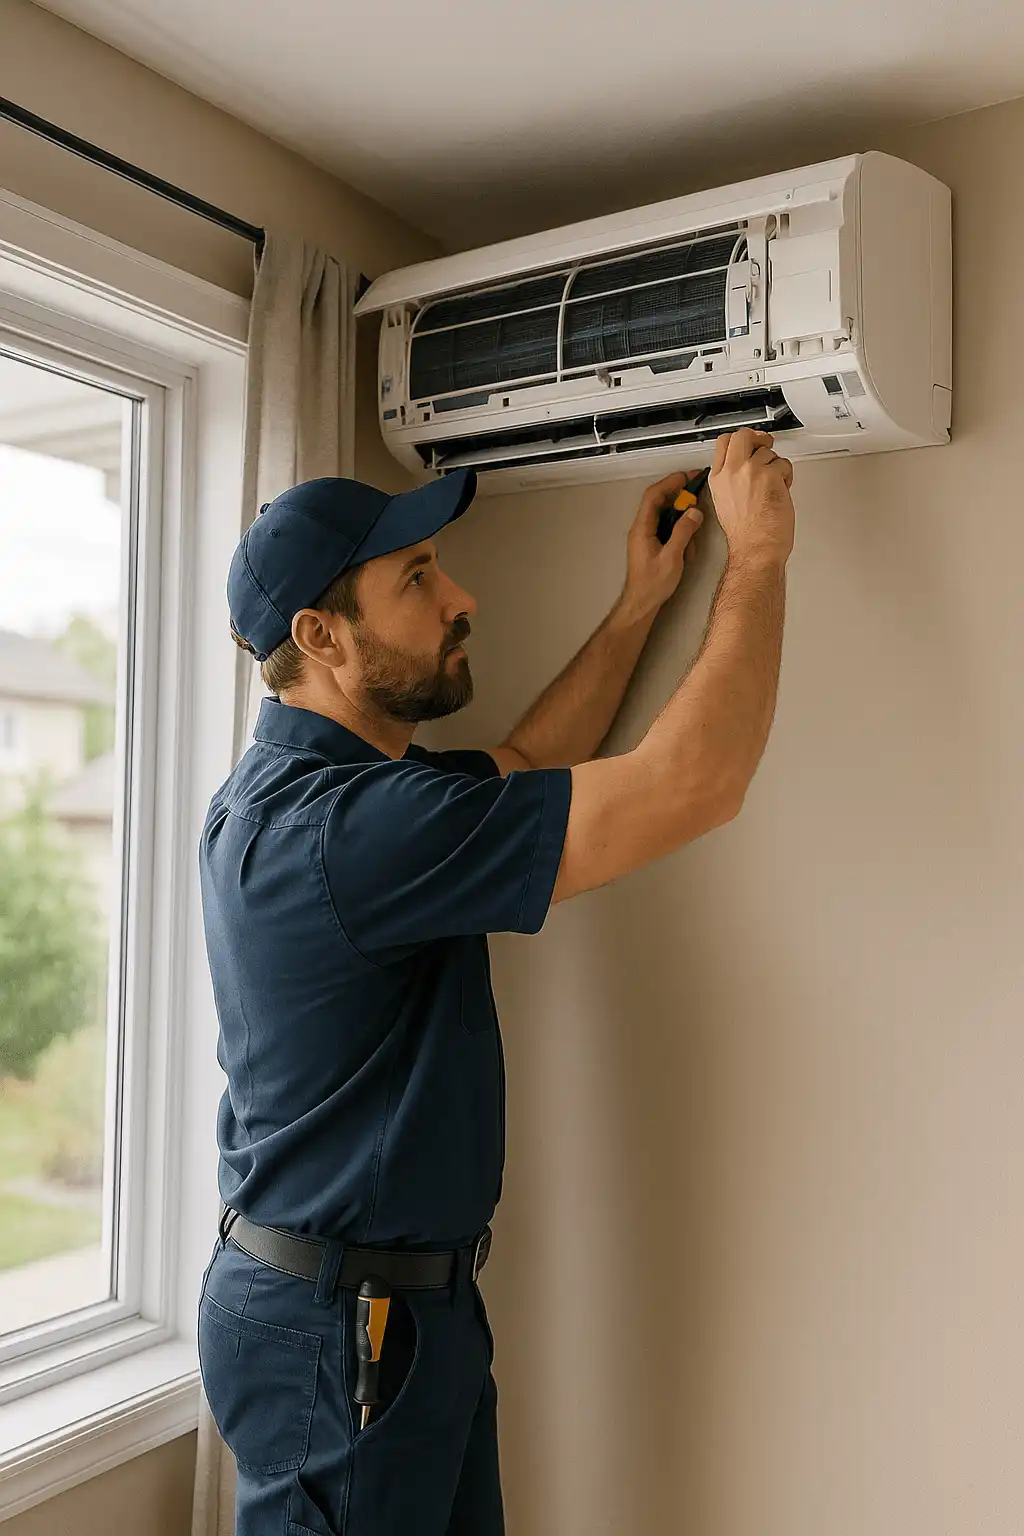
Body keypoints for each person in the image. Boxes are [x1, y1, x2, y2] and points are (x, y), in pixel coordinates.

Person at [198, 426, 795, 1536]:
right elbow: (694, 782)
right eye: (417, 579)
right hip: (345, 1330)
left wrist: (640, 606)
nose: (460, 597)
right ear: (321, 635)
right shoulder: (350, 834)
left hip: (381, 1312)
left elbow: (521, 767)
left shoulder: (301, 794)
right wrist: (757, 557)